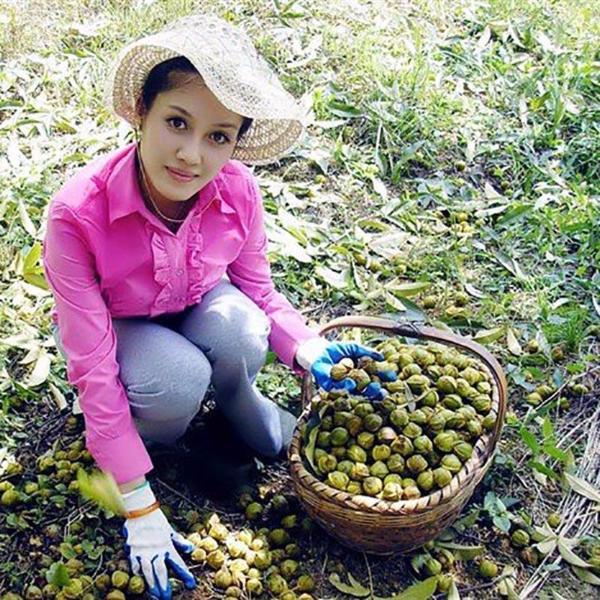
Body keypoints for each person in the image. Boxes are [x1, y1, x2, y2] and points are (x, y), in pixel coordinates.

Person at [43, 14, 392, 599]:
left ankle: (234, 400)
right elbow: (92, 366)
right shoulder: (77, 215)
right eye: (176, 122)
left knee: (244, 330)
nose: (191, 155)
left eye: (218, 136)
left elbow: (258, 291)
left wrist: (308, 349)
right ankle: (158, 441)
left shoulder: (238, 192)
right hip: (121, 330)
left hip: (196, 304)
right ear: (142, 114)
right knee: (177, 381)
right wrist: (137, 502)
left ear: (235, 142)